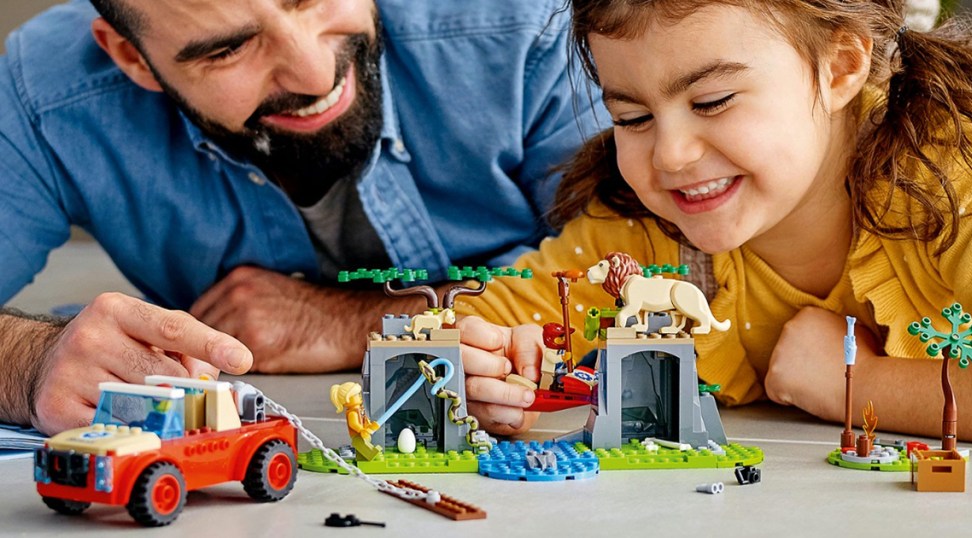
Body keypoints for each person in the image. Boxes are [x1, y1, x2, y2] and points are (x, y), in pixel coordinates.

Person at [0, 0, 607, 435]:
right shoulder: (46, 94)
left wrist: (345, 323)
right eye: (228, 48)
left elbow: (664, 264)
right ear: (131, 57)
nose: (319, 76)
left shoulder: (524, 22)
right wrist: (30, 365)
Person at [456, 0, 972, 445]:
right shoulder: (642, 232)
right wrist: (486, 368)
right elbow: (474, 323)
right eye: (633, 117)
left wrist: (857, 386)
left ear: (839, 67)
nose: (670, 156)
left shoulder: (959, 184)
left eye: (712, 101)